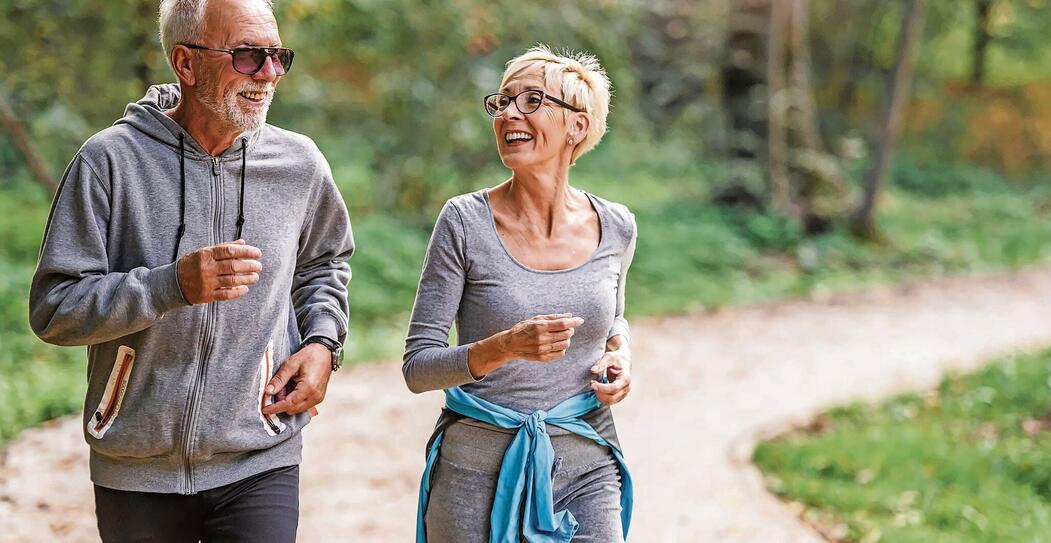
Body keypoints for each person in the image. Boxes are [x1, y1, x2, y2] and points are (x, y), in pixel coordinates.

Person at [27, 1, 353, 541]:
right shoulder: (108, 162)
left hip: (260, 455)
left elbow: (324, 263)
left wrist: (323, 344)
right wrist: (169, 286)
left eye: (278, 57)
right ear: (185, 61)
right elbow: (54, 309)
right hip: (136, 466)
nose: (270, 75)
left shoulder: (299, 165)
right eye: (249, 57)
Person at [403, 45, 636, 542]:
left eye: (531, 100)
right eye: (503, 101)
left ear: (577, 125)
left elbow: (614, 321)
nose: (509, 113)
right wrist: (504, 347)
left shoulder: (617, 226)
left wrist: (622, 357)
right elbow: (418, 368)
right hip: (473, 472)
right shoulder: (464, 222)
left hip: (588, 461)